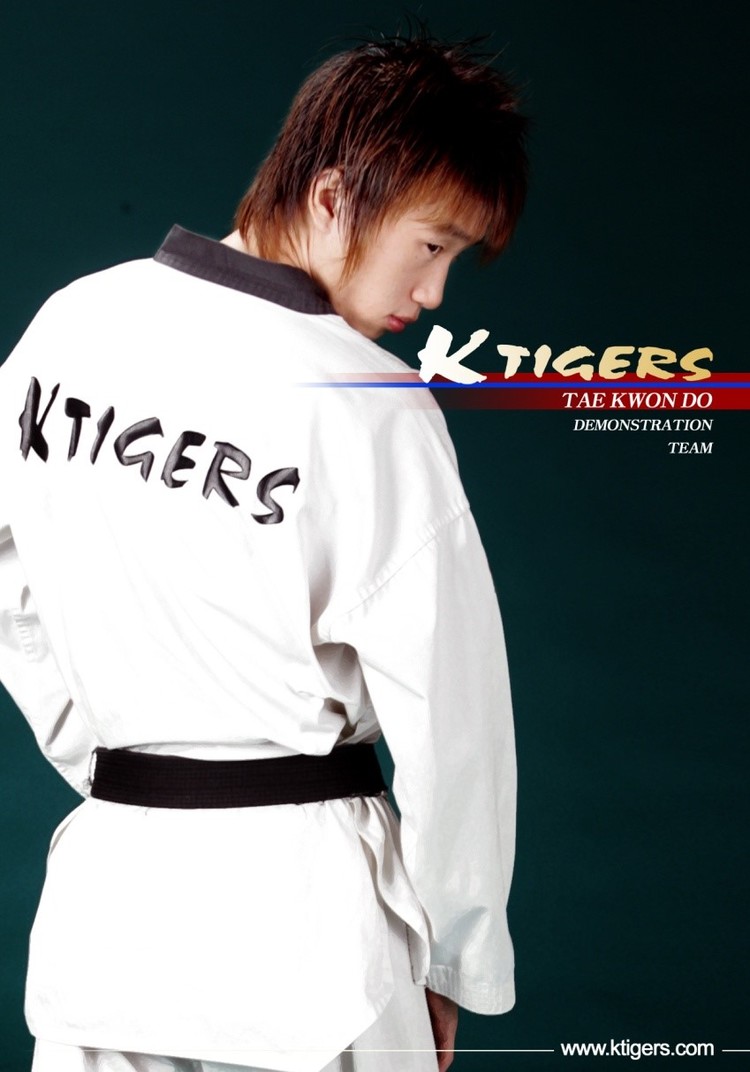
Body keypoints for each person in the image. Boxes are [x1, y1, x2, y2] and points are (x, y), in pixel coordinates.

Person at [0, 29, 528, 1072]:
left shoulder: (72, 326)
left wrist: (111, 754)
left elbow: (9, 583)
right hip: (315, 949)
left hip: (113, 931)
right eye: (431, 247)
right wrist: (456, 960)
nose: (433, 296)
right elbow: (454, 720)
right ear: (335, 196)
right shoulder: (370, 404)